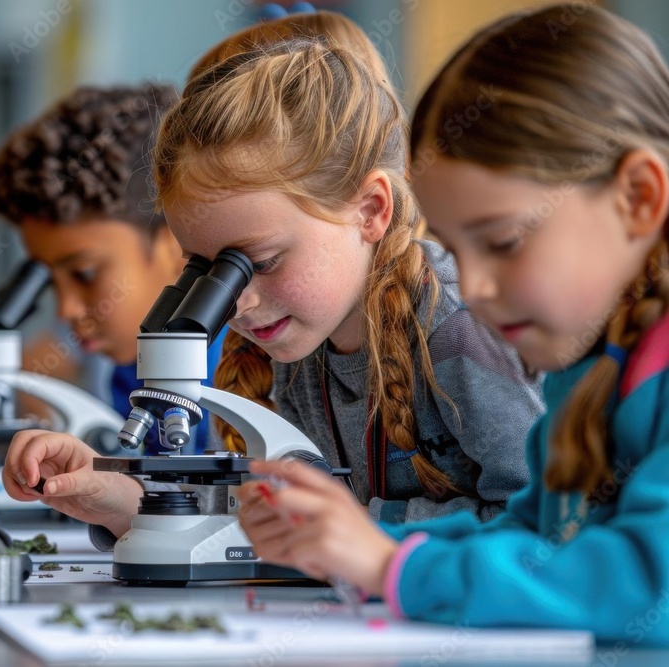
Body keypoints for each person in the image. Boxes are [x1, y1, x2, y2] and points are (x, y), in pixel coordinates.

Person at [3, 15, 544, 548]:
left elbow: (547, 523)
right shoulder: (302, 343)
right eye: (207, 269)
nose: (235, 301)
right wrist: (125, 501)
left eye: (258, 262)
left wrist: (363, 530)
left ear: (370, 210)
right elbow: (267, 523)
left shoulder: (457, 327)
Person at [238, 4, 669, 643]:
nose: (475, 288)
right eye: (459, 252)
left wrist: (391, 566)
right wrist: (353, 545)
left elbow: (649, 586)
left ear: (637, 198)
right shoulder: (586, 365)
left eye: (503, 241)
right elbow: (531, 539)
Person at [0, 84, 227, 497]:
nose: (67, 309)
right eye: (49, 280)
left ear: (175, 243)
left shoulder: (242, 372)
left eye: (85, 273)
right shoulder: (122, 369)